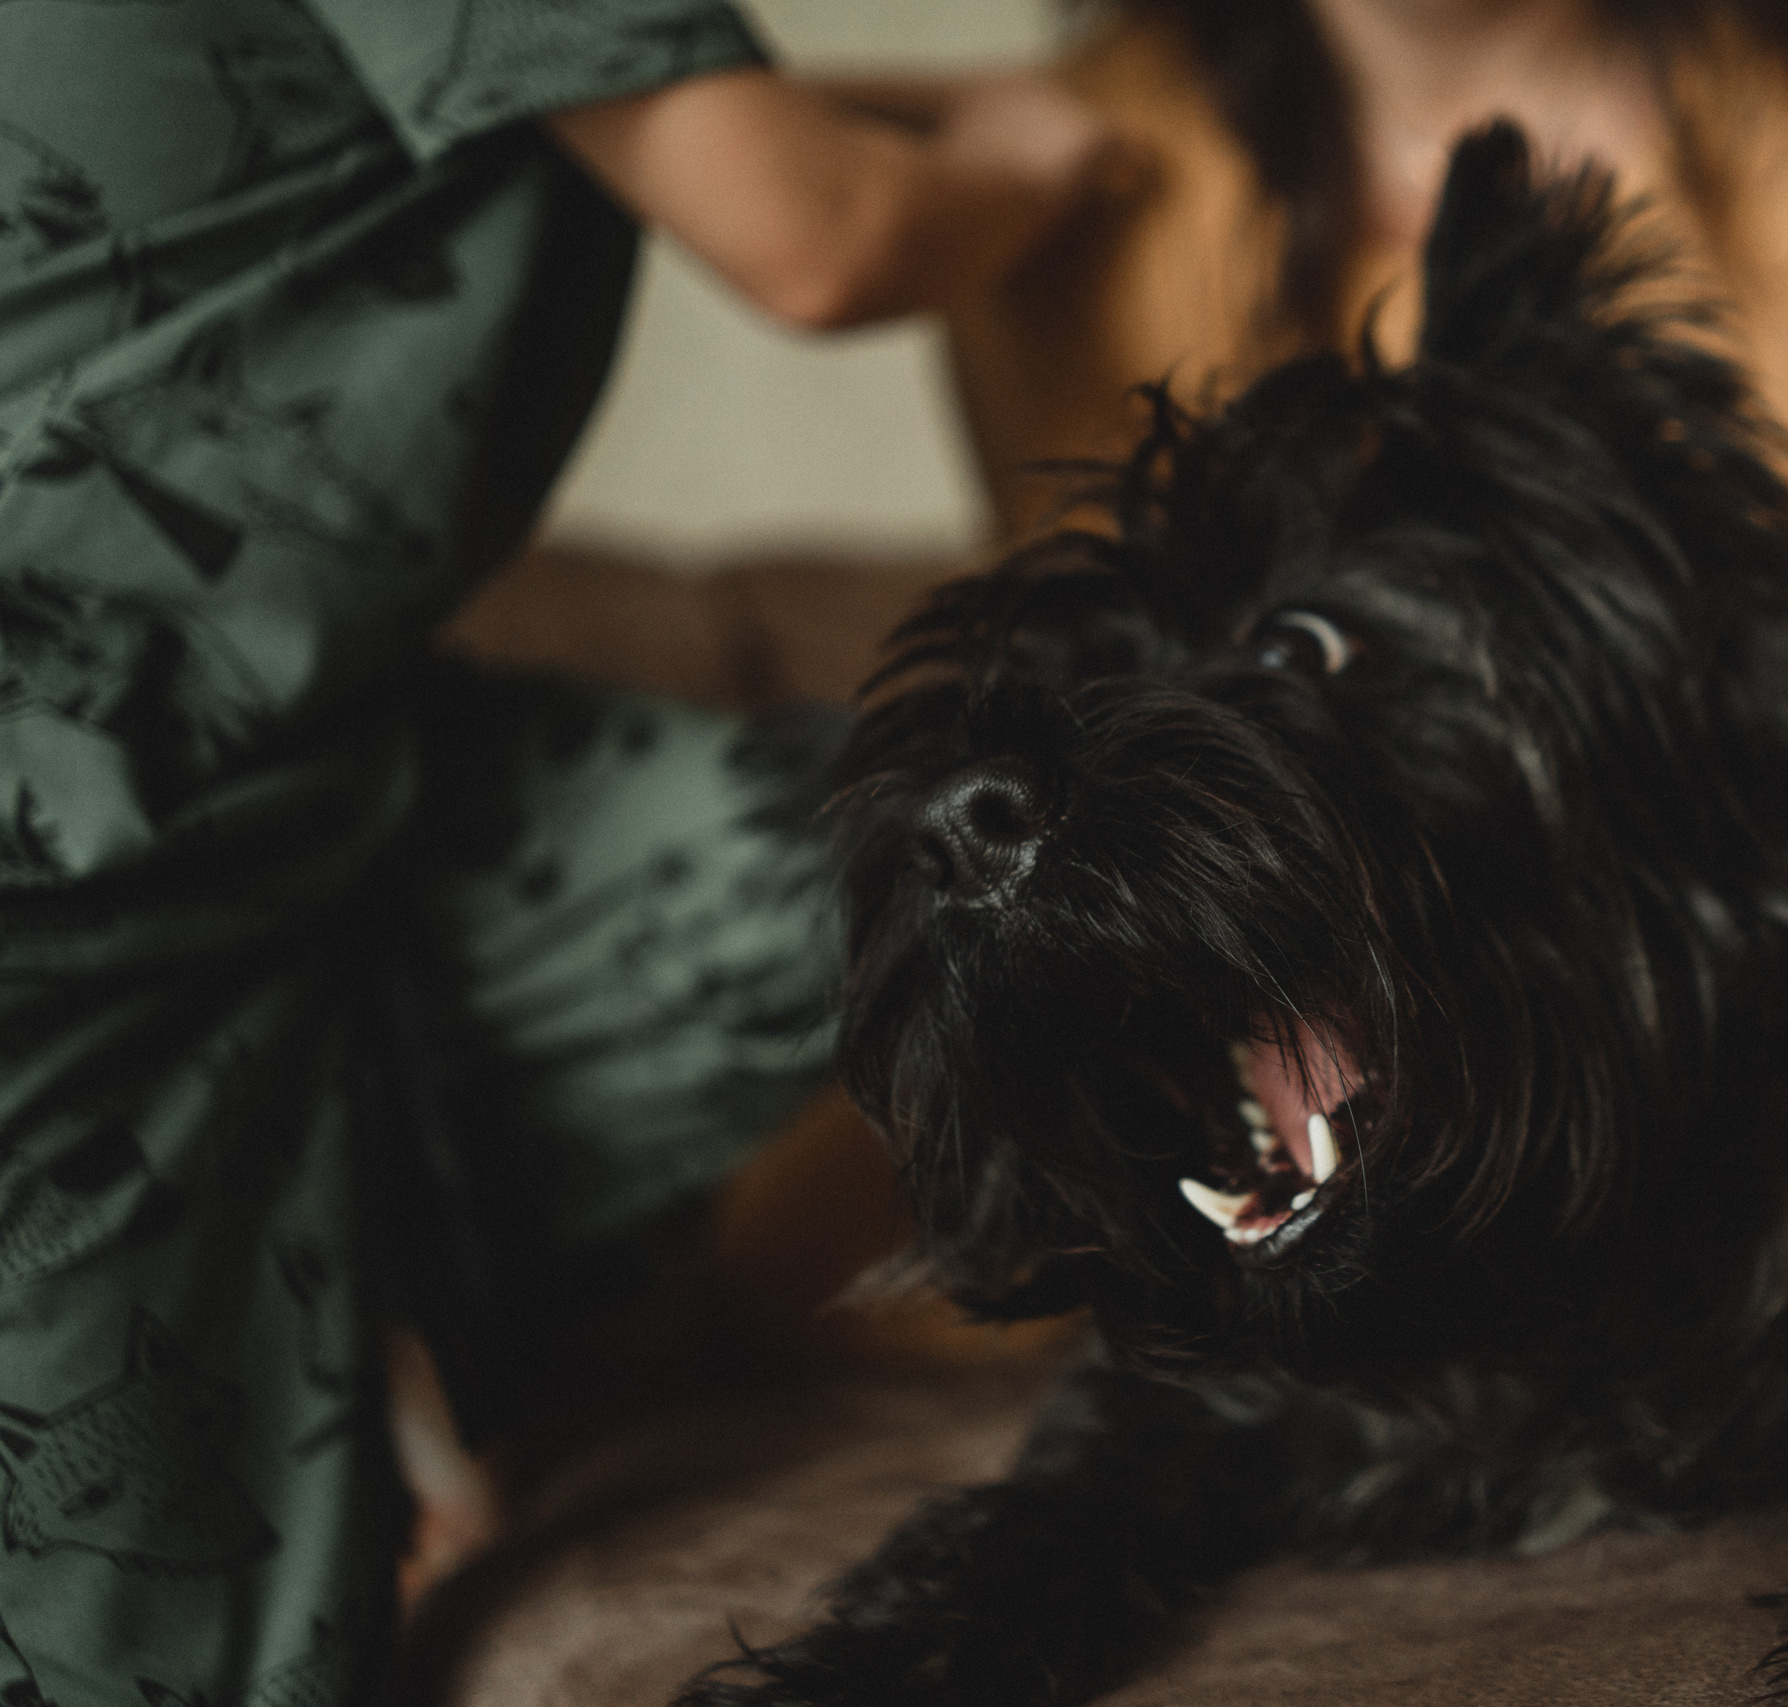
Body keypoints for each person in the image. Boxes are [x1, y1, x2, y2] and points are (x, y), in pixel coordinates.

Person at [0, 4, 1107, 1701]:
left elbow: (663, 116)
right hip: (72, 880)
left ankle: (383, 1281)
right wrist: (1052, 157)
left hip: (307, 788)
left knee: (884, 863)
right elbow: (824, 238)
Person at [928, 0, 1788, 1241]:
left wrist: (1656, 969)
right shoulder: (1056, 162)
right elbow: (1102, 705)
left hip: (1784, 1056)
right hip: (1223, 1056)